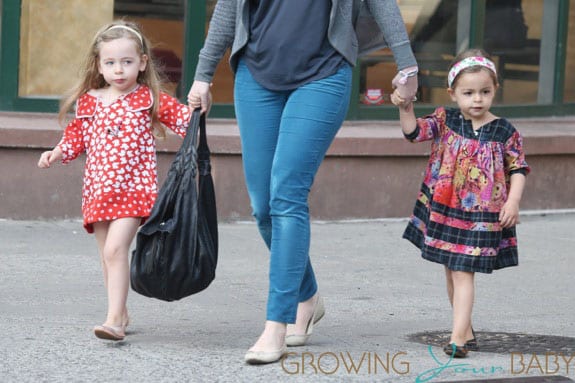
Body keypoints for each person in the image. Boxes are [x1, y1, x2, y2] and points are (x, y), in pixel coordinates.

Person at [188, 0, 418, 364]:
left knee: (287, 195)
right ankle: (307, 295)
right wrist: (203, 75)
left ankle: (276, 324)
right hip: (256, 74)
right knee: (262, 207)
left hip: (323, 75)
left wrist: (407, 64)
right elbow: (229, 9)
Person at [37, 20, 192, 341]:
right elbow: (75, 138)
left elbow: (184, 120)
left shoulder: (148, 98)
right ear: (99, 65)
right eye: (110, 63)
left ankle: (114, 322)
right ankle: (119, 312)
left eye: (127, 62)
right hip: (97, 190)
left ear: (142, 62)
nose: (119, 70)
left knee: (115, 249)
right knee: (107, 255)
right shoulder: (90, 101)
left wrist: (198, 112)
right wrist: (57, 152)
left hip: (135, 190)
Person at [391, 48, 529, 358]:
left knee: (464, 272)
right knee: (452, 271)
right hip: (445, 210)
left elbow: (518, 168)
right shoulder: (445, 119)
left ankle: (457, 339)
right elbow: (414, 132)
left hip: (484, 215)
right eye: (468, 93)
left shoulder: (505, 131)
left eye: (484, 92)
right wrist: (405, 106)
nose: (477, 99)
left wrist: (514, 202)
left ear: (495, 90)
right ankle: (465, 330)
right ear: (453, 93)